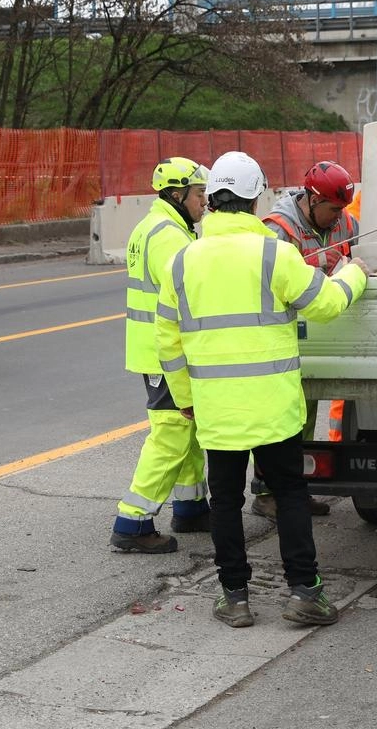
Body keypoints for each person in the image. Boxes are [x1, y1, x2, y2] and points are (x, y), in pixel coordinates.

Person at [156, 151, 368, 628]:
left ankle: (235, 599)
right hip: (273, 406)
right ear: (256, 202)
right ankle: (305, 595)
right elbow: (327, 304)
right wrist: (355, 274)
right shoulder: (275, 253)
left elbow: (167, 343)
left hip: (215, 407)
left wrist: (186, 399)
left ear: (210, 200)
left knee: (225, 502)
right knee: (290, 494)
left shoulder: (182, 262)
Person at [110, 157, 211, 554]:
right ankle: (132, 524)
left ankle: (189, 507)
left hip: (155, 351)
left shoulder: (153, 225)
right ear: (177, 194)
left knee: (187, 432)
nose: (205, 202)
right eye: (200, 194)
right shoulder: (169, 235)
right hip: (166, 354)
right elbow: (188, 295)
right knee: (171, 436)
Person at [250, 159, 361, 518]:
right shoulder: (278, 230)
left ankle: (297, 487)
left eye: (342, 209)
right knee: (278, 416)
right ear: (312, 200)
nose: (338, 217)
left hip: (320, 327)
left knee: (305, 411)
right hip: (284, 334)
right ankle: (267, 493)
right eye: (332, 209)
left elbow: (357, 255)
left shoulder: (345, 222)